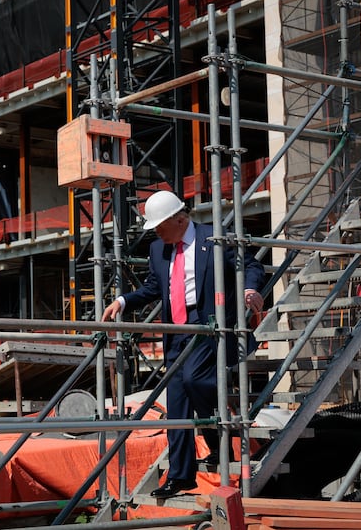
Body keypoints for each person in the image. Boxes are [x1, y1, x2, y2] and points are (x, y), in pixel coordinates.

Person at [102, 190, 265, 498]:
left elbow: (250, 265)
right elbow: (153, 287)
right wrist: (123, 301)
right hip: (176, 332)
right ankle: (181, 476)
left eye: (160, 226)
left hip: (210, 326)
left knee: (195, 379)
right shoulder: (157, 250)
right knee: (176, 402)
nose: (156, 232)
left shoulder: (214, 238)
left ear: (179, 219)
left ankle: (218, 441)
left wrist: (249, 290)